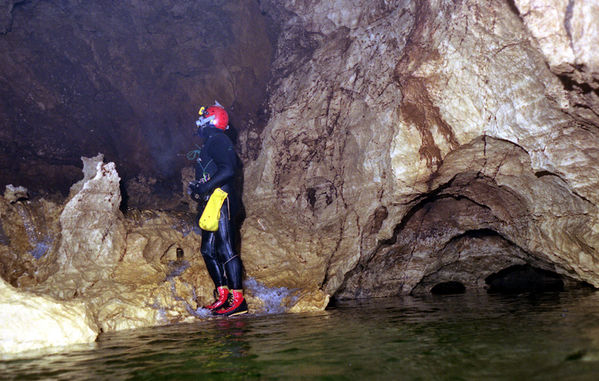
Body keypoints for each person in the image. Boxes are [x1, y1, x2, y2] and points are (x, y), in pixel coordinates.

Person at [188, 102, 248, 317]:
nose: (198, 122)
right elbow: (211, 173)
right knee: (208, 250)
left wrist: (204, 186)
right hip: (211, 201)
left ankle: (238, 299)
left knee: (226, 249)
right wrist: (198, 189)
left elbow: (228, 169)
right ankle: (223, 295)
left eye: (202, 118)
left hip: (223, 199)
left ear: (210, 120)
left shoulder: (219, 140)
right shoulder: (210, 143)